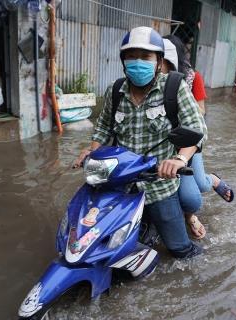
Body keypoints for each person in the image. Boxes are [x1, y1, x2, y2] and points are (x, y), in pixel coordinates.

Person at [72, 27, 206, 259]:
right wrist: (92, 152)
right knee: (95, 240)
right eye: (131, 56)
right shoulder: (115, 91)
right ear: (123, 61)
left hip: (159, 186)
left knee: (180, 251)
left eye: (145, 57)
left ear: (158, 61)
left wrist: (179, 159)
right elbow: (103, 128)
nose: (138, 62)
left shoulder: (174, 87)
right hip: (118, 183)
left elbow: (198, 129)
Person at [162, 36, 234, 240]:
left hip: (185, 141)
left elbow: (201, 111)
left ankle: (209, 184)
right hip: (160, 143)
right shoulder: (146, 81)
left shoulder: (192, 78)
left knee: (197, 191)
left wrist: (181, 110)